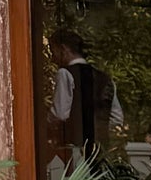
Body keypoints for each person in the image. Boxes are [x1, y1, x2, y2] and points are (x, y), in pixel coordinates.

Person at [45, 27, 125, 156]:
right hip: (101, 150)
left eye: (53, 51)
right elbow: (117, 119)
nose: (53, 58)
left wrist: (44, 125)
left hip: (74, 150)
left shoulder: (65, 73)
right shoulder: (105, 78)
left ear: (63, 49)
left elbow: (59, 114)